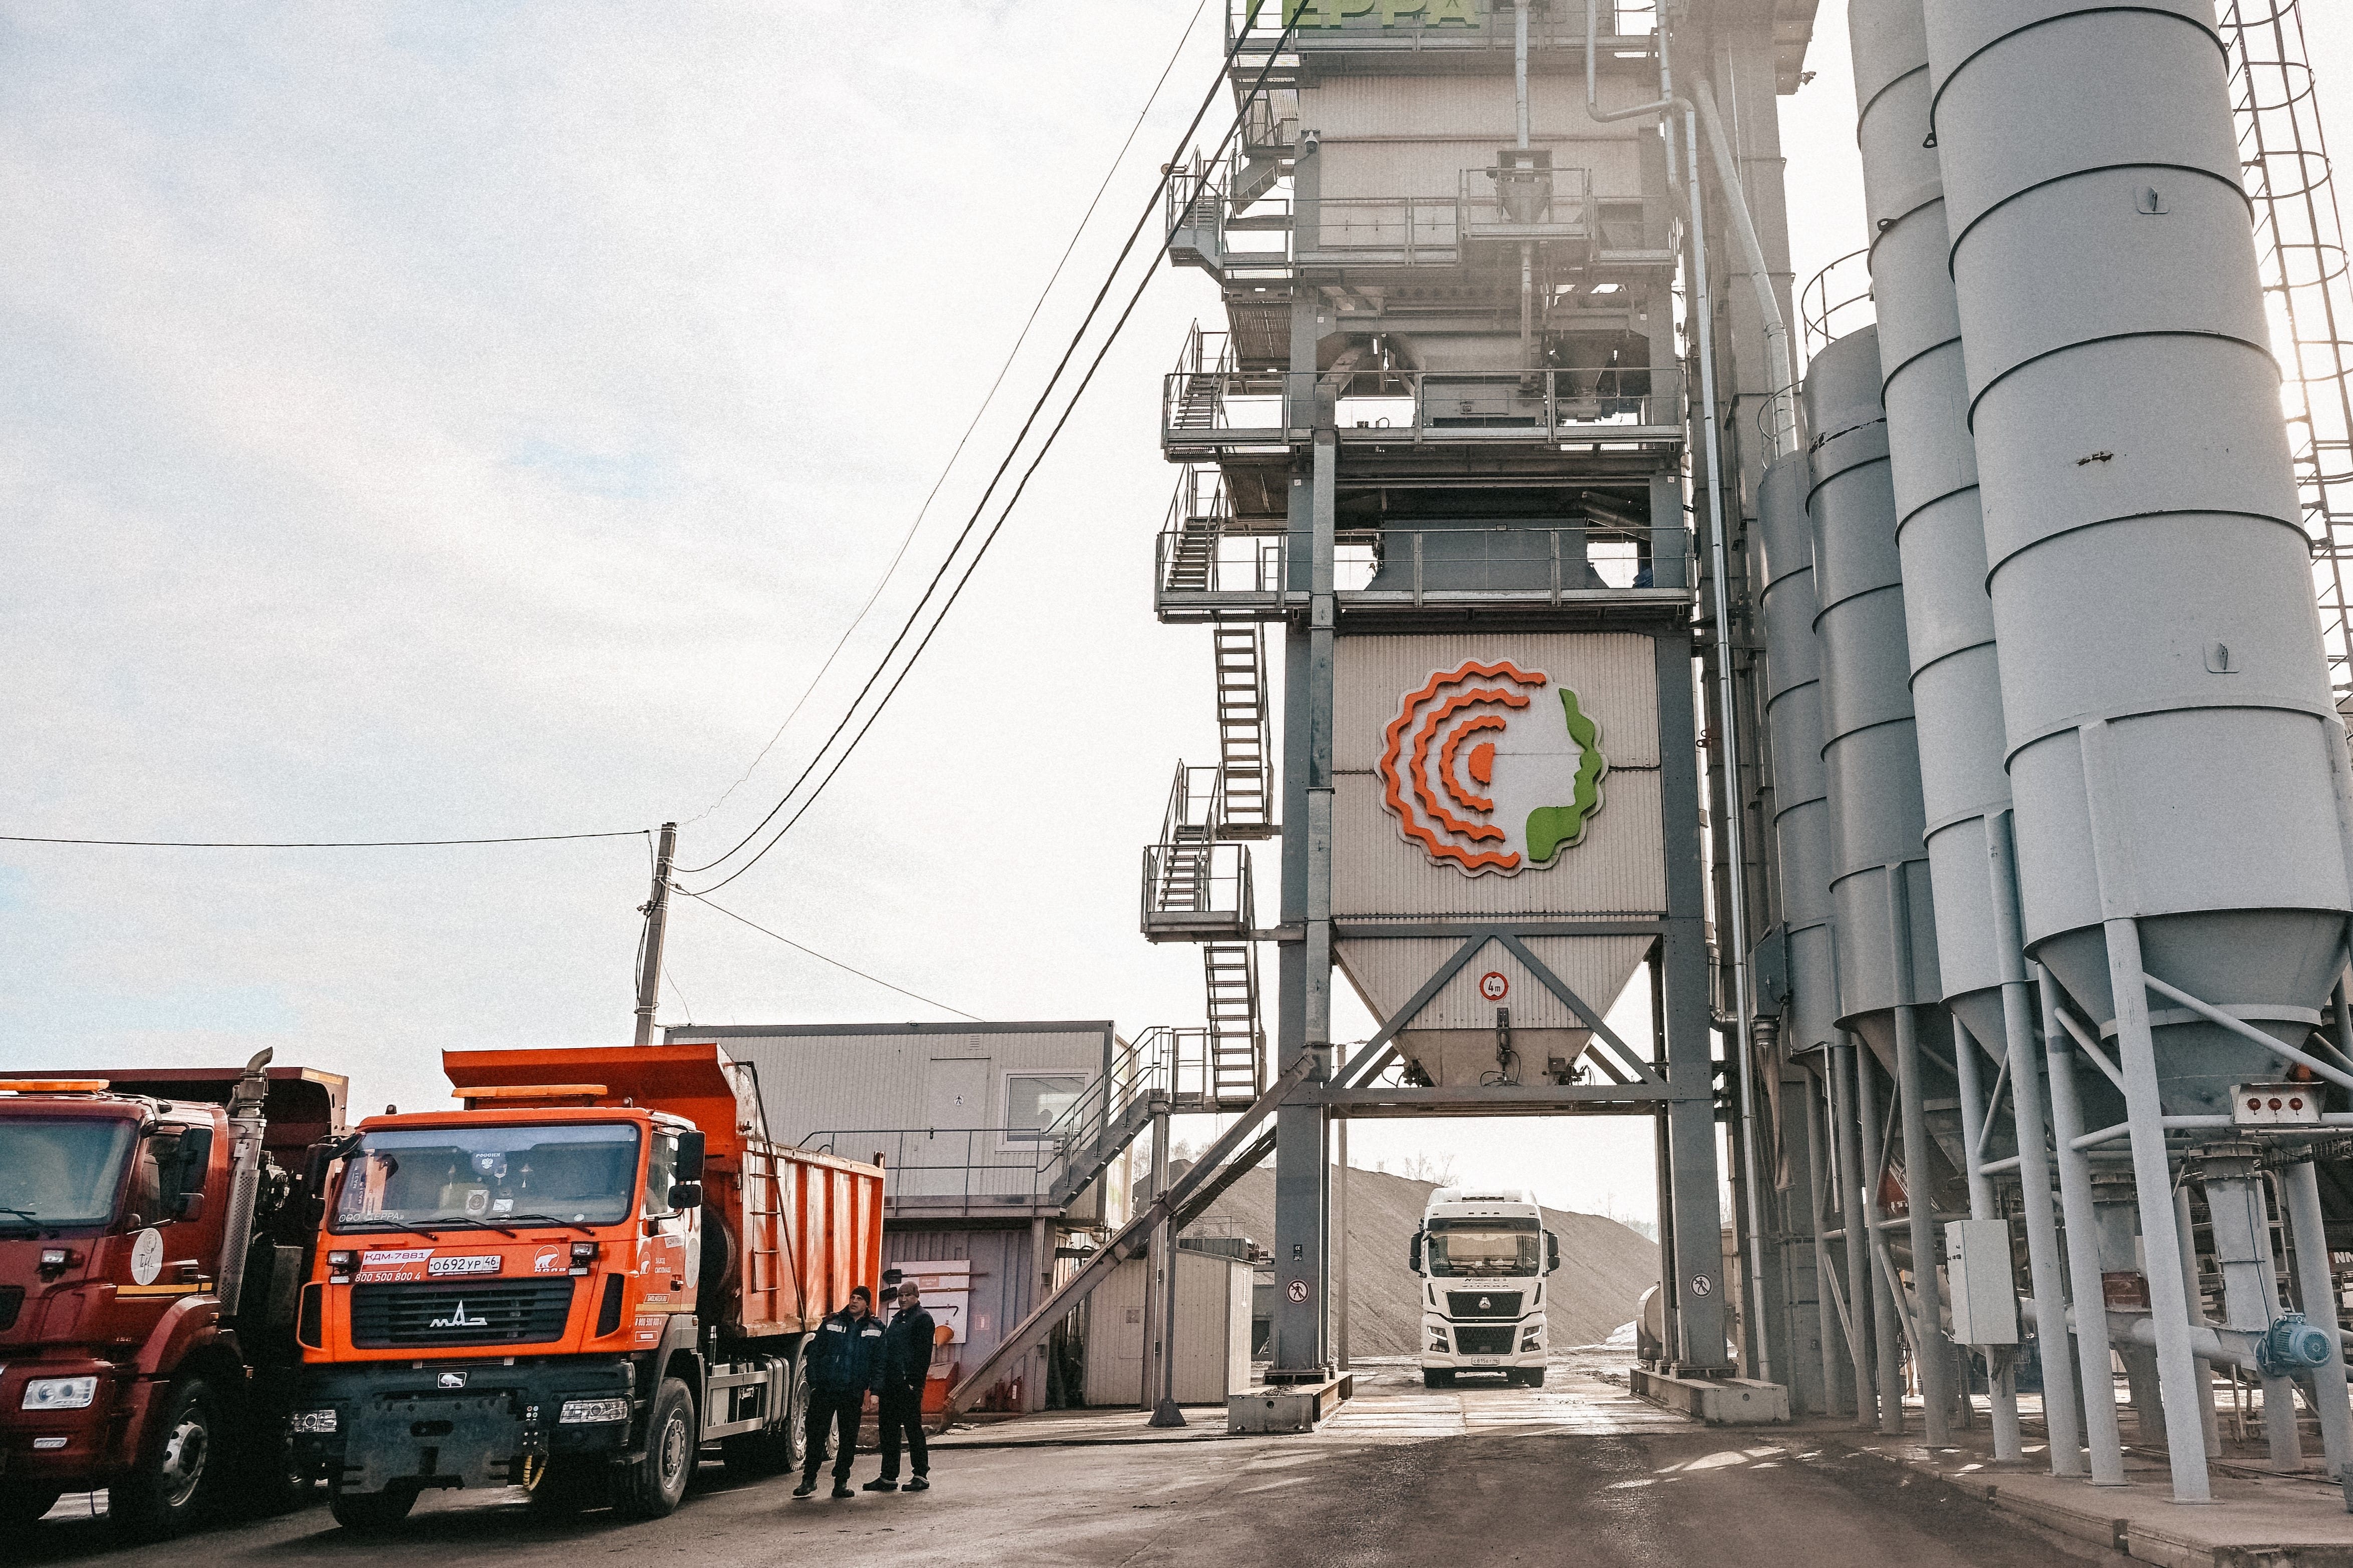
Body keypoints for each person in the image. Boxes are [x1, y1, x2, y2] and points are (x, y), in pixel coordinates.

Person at [794, 1286, 883, 1499]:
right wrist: (814, 1384)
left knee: (848, 1438)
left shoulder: (876, 1328)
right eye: (852, 1297)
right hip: (826, 1389)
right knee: (816, 1435)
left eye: (859, 1299)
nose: (854, 1301)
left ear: (867, 1304)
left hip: (852, 1391)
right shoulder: (832, 1323)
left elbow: (879, 1363)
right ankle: (809, 1480)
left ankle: (841, 1482)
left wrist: (875, 1392)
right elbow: (815, 1355)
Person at [865, 1280, 935, 1493]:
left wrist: (914, 1382)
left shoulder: (923, 1319)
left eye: (907, 1296)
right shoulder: (897, 1319)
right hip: (891, 1384)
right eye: (900, 1296)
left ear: (916, 1297)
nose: (903, 1299)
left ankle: (921, 1475)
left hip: (908, 1385)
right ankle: (888, 1476)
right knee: (889, 1430)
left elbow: (923, 1356)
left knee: (913, 1430)